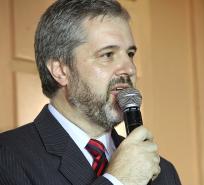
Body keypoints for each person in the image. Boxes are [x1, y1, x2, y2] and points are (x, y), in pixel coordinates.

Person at [0, 0, 181, 185]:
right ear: (61, 70)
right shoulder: (7, 158)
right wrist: (117, 181)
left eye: (130, 54)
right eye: (107, 54)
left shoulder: (163, 173)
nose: (130, 68)